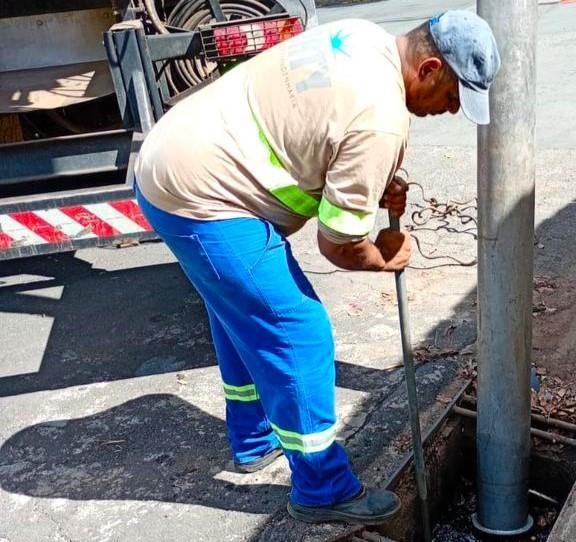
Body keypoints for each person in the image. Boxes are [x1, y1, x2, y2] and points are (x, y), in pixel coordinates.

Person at [133, 11, 500, 524]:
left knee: (242, 311)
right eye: (454, 95)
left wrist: (371, 185)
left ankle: (254, 438)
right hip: (201, 193)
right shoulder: (380, 118)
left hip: (177, 152)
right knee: (297, 331)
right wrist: (383, 256)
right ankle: (322, 488)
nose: (453, 109)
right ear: (430, 68)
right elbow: (339, 243)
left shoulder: (364, 36)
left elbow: (322, 131)